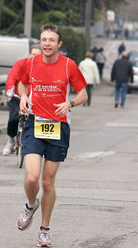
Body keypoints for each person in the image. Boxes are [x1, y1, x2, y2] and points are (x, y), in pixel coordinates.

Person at [16, 24, 88, 247]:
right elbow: (21, 84)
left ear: (59, 44)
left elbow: (83, 94)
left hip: (58, 127)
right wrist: (23, 97)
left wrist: (70, 103)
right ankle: (30, 205)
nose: (46, 43)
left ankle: (44, 230)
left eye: (51, 40)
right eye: (43, 39)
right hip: (35, 124)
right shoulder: (31, 63)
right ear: (40, 42)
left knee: (47, 183)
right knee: (31, 177)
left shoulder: (69, 66)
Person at [3, 45, 42, 156]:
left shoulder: (43, 67)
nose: (35, 57)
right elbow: (12, 76)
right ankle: (11, 140)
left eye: (38, 55)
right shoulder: (21, 64)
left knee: (37, 121)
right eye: (34, 54)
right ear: (29, 54)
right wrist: (10, 89)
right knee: (13, 119)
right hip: (17, 97)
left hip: (34, 99)